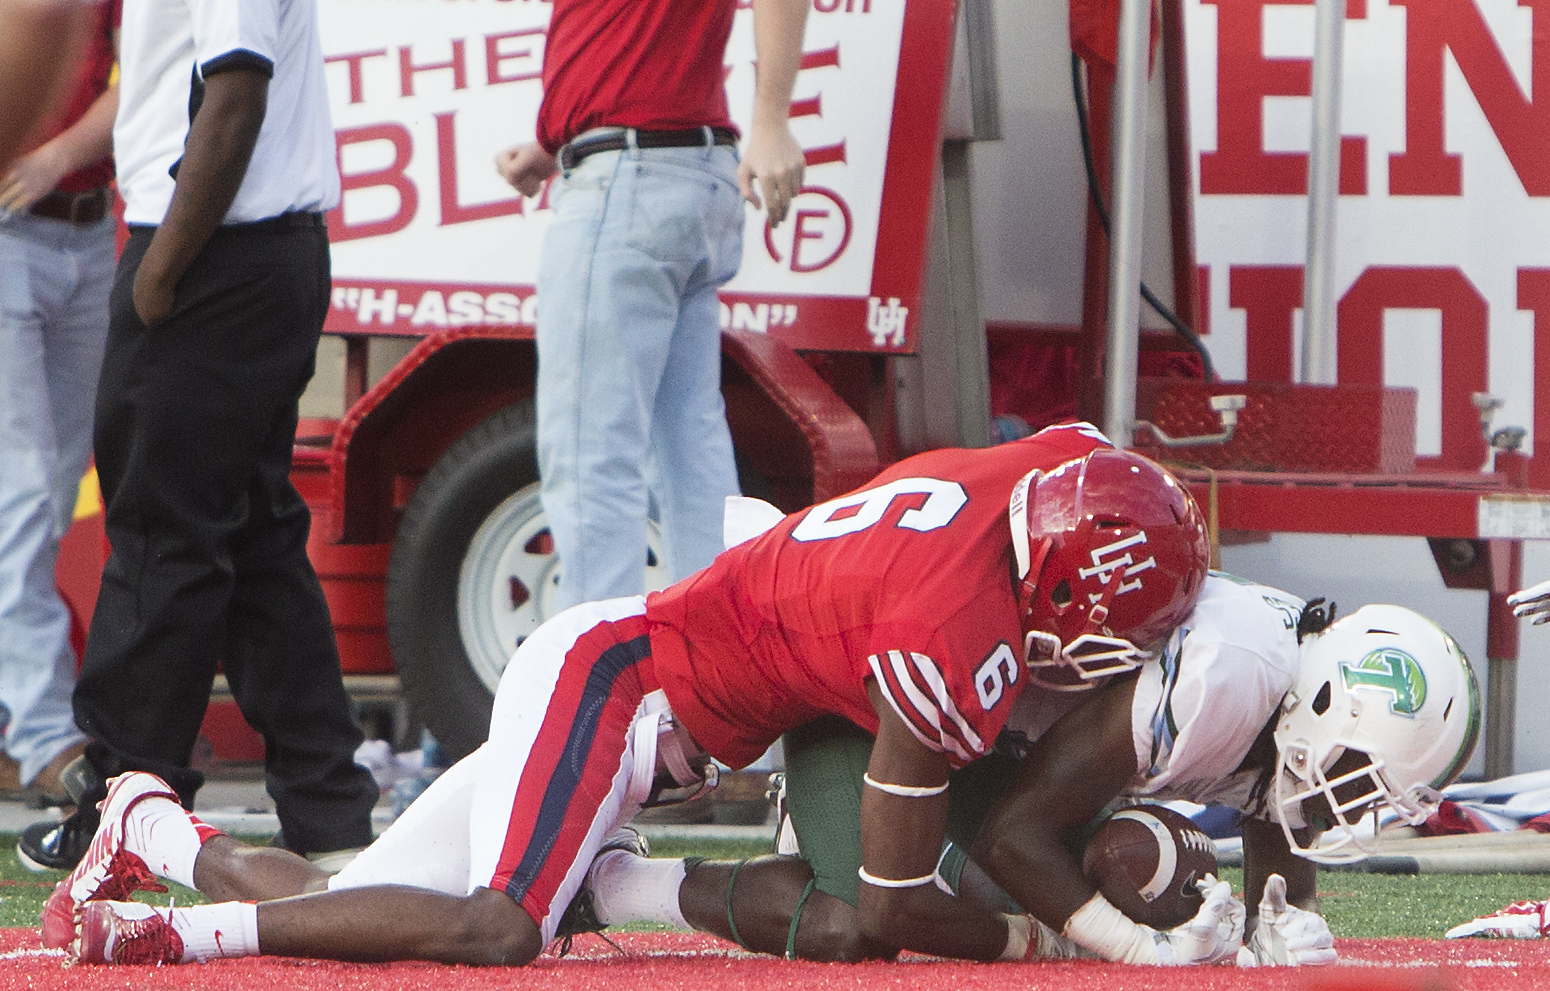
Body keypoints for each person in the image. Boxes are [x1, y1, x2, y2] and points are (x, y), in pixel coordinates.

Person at [39, 424, 1211, 966]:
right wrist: (1058, 937)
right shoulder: (942, 631)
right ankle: (167, 934)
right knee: (497, 928)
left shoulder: (1046, 468)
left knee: (354, 904)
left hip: (668, 700)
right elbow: (899, 905)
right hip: (620, 683)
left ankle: (153, 829)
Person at [562, 577, 1481, 966]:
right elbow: (1017, 832)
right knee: (866, 925)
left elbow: (1274, 822)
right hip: (883, 703)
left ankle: (879, 837)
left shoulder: (1291, 695)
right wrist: (1128, 950)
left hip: (985, 737)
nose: (1351, 802)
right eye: (1359, 776)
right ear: (1326, 701)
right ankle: (617, 885)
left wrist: (1288, 924)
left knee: (1135, 867)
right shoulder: (1228, 672)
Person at [16, 0, 379, 872]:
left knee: (161, 537)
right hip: (249, 252)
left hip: (213, 253)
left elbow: (235, 92)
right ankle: (327, 805)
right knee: (254, 538)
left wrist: (161, 270)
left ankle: (123, 810)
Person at [494, 0, 808, 611]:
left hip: (631, 176)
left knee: (592, 455)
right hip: (678, 169)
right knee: (687, 448)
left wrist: (772, 120)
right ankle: (720, 652)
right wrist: (557, 141)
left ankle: (601, 665)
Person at [0, 0, 117, 806]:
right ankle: (43, 733)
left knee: (44, 485)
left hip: (87, 223)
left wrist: (58, 156)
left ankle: (20, 722)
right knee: (26, 484)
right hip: (14, 229)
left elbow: (151, 68)